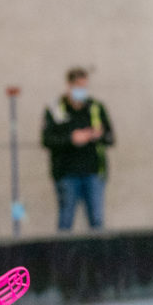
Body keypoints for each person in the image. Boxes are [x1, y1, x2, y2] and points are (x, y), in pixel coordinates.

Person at [40, 66, 115, 231]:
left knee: (96, 220)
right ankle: (63, 257)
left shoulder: (95, 107)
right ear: (69, 85)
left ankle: (98, 256)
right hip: (66, 173)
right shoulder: (55, 108)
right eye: (78, 86)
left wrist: (96, 135)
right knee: (66, 220)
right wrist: (71, 139)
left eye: (84, 86)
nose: (82, 90)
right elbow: (46, 140)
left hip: (94, 172)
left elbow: (110, 138)